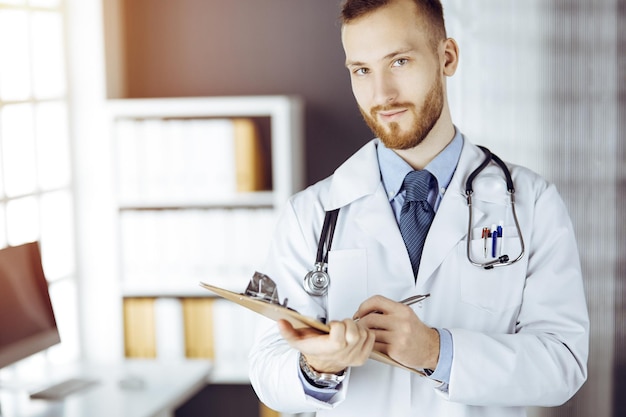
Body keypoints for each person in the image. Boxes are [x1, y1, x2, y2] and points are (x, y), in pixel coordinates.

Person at [248, 0, 589, 415]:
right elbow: (267, 367)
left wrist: (436, 351)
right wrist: (318, 366)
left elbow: (564, 364)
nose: (381, 94)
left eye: (399, 62)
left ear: (447, 57)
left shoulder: (532, 203)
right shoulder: (311, 214)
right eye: (362, 70)